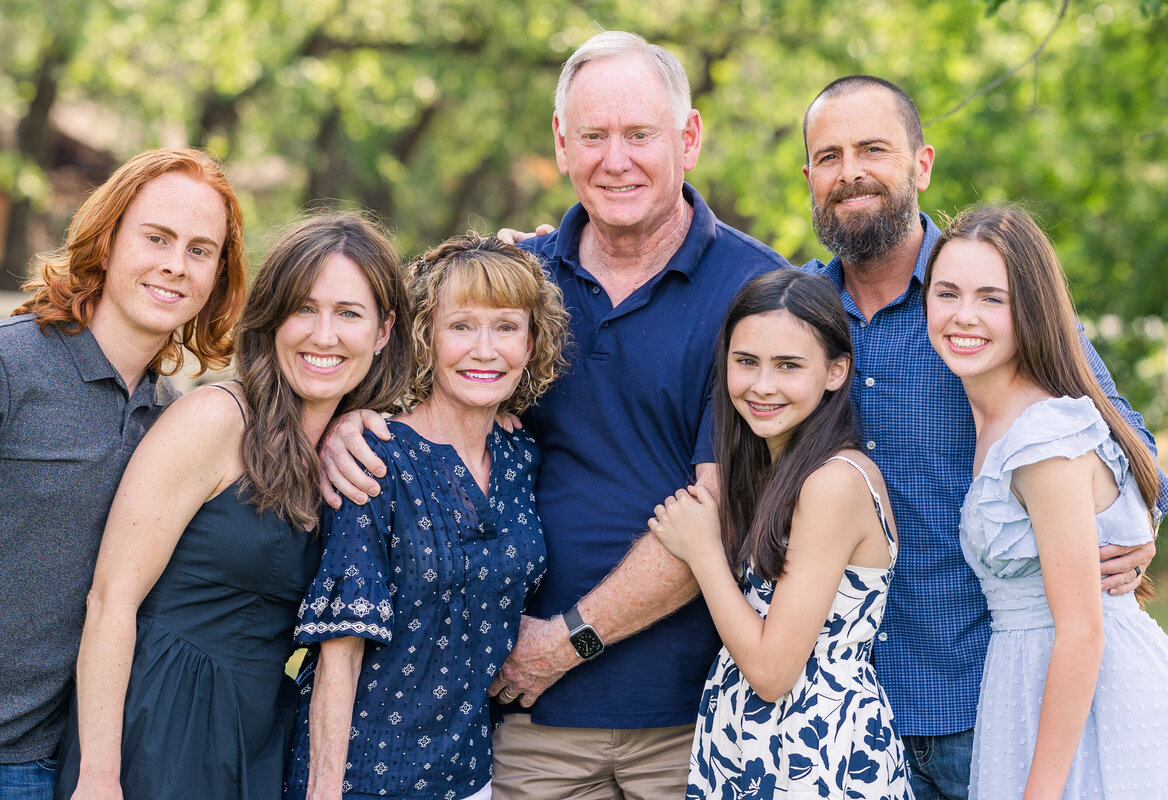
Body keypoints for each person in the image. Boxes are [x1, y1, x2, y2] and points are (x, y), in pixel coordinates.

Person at [317, 31, 791, 798]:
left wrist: (566, 643)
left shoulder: (758, 292)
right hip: (522, 726)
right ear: (561, 145)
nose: (617, 159)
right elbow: (414, 382)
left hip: (689, 716)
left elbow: (724, 509)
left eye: (640, 135)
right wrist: (350, 421)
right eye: (594, 137)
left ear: (689, 138)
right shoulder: (515, 288)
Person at [799, 75, 1168, 799]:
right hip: (848, 715)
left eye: (873, 148)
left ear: (921, 163)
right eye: (830, 155)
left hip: (989, 706)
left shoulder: (991, 293)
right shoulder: (797, 317)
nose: (851, 172)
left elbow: (1126, 445)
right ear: (810, 175)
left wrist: (1134, 531)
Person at [55, 213, 410, 800]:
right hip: (157, 724)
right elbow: (110, 600)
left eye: (348, 313)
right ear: (271, 320)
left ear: (382, 331)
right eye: (303, 308)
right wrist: (98, 775)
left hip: (259, 733)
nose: (324, 336)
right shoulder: (216, 419)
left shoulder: (349, 451)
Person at [0, 148, 246, 800]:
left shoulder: (173, 425)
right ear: (108, 239)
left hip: (36, 769)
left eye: (201, 250)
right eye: (157, 238)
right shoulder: (0, 367)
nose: (176, 264)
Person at [284, 235, 569, 800]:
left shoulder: (521, 457)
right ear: (425, 337)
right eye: (461, 325)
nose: (484, 350)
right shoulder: (377, 458)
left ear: (533, 342)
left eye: (506, 327)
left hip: (472, 774)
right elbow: (338, 655)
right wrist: (323, 791)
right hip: (365, 777)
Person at [923, 205, 1168, 798]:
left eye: (991, 298)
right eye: (946, 293)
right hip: (1027, 681)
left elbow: (1082, 631)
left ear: (1030, 310)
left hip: (1087, 696)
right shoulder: (999, 414)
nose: (963, 316)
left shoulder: (1041, 439)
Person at [650, 269, 912, 799]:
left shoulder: (832, 483)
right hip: (759, 745)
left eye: (788, 366)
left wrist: (703, 552)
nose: (762, 385)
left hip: (816, 755)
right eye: (746, 362)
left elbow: (772, 672)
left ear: (836, 372)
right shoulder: (779, 470)